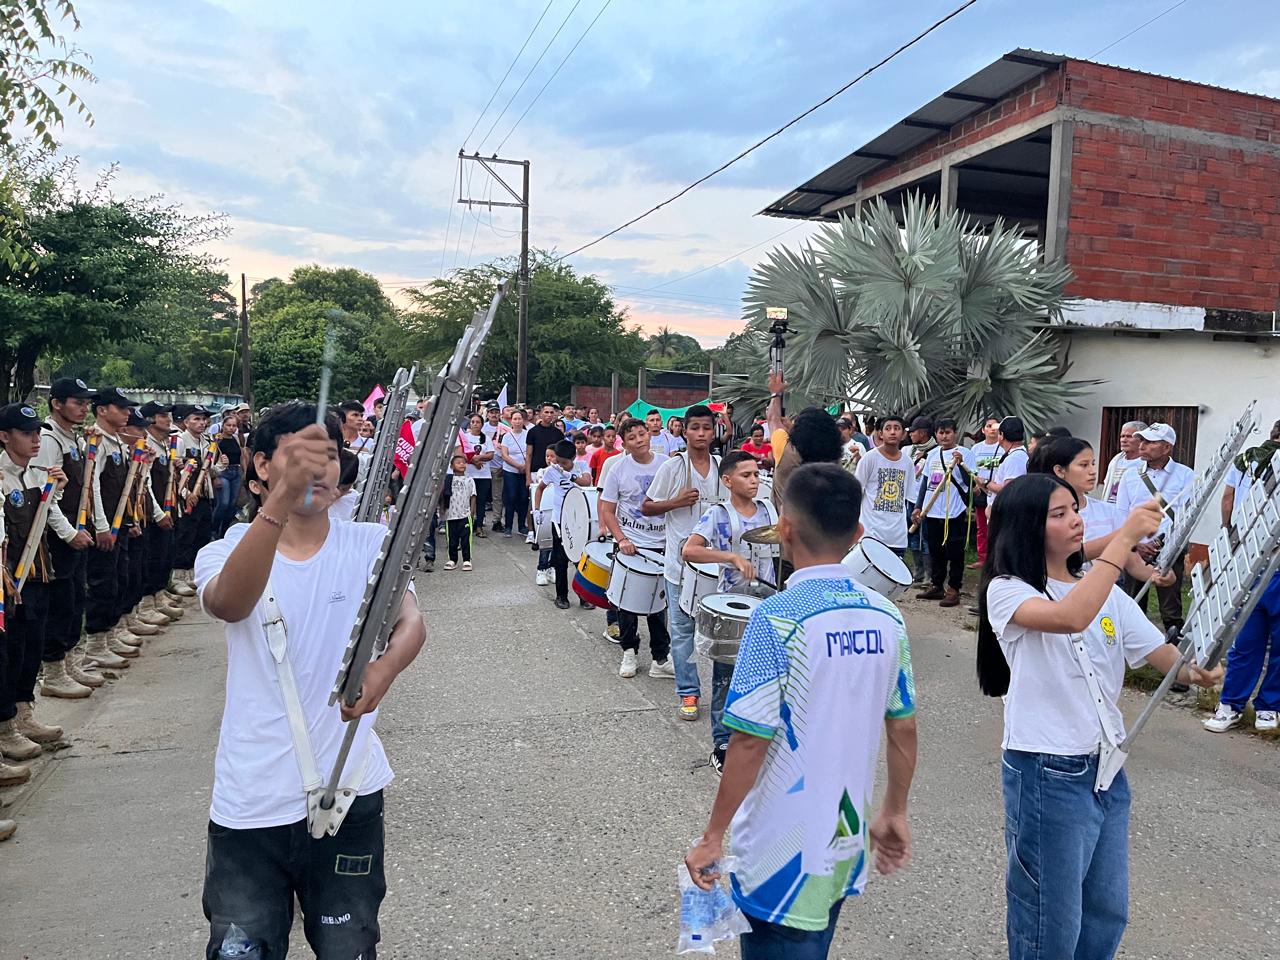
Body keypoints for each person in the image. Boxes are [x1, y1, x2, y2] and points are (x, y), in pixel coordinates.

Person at [196, 401, 425, 959]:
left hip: (349, 791)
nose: (317, 469)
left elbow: (411, 622)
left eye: (328, 455)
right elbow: (229, 603)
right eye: (299, 456)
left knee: (349, 946)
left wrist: (383, 668)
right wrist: (277, 503)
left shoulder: (370, 542)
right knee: (241, 949)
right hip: (252, 801)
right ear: (259, 466)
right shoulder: (223, 551)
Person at [977, 473, 1220, 960]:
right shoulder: (1007, 590)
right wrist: (1124, 540)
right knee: (1050, 914)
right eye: (1059, 514)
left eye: (1075, 509)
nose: (1075, 521)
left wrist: (1200, 672)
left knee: (1107, 908)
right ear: (1026, 526)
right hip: (1046, 768)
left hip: (1105, 767)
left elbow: (1158, 652)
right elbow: (1070, 617)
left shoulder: (1101, 590)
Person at [685, 463, 917, 959]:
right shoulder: (887, 615)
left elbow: (749, 739)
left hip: (778, 853)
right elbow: (903, 725)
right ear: (858, 534)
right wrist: (894, 808)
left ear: (784, 528)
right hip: (844, 839)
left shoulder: (776, 618)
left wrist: (712, 836)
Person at [681, 451, 775, 772]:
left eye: (757, 474)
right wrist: (730, 558)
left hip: (766, 604)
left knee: (763, 677)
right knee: (725, 679)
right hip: (732, 606)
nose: (754, 480)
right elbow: (689, 549)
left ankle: (755, 737)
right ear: (727, 480)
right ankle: (721, 743)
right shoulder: (718, 514)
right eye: (746, 475)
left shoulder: (768, 511)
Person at [0, 402, 68, 773]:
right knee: (8, 649)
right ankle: (6, 725)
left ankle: (25, 712)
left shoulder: (37, 472)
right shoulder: (2, 476)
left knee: (32, 644)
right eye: (27, 434)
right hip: (9, 577)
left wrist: (55, 490)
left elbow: (47, 512)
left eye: (37, 434)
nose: (34, 440)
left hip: (38, 570)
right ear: (5, 436)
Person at [643, 405, 723, 718]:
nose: (702, 434)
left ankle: (721, 694)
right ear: (684, 431)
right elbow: (647, 506)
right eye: (695, 428)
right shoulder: (673, 467)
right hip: (679, 565)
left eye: (707, 428)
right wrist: (676, 502)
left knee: (719, 633)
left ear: (714, 431)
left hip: (715, 564)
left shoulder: (721, 467)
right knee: (682, 629)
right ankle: (688, 692)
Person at [36, 377, 109, 698]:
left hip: (78, 531)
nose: (83, 408)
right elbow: (45, 497)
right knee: (61, 602)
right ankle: (52, 671)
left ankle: (69, 661)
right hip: (58, 537)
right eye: (77, 402)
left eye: (85, 403)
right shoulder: (48, 439)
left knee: (75, 598)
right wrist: (68, 534)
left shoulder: (73, 439)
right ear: (57, 404)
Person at [83, 387, 151, 672]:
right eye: (121, 408)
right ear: (102, 410)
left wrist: (130, 520)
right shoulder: (96, 441)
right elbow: (92, 486)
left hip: (119, 523)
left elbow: (125, 489)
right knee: (102, 582)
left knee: (118, 577)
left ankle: (109, 636)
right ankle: (95, 646)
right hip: (104, 526)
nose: (127, 413)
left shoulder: (118, 442)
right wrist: (101, 525)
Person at [599, 418, 672, 679]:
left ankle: (660, 658)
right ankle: (629, 651)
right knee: (626, 604)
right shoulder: (617, 469)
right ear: (625, 444)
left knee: (658, 605)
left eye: (642, 434)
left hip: (662, 545)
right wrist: (621, 539)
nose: (639, 439)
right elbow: (607, 510)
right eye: (633, 437)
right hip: (631, 544)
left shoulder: (666, 463)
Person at [1115, 423, 1195, 637]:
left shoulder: (1186, 475)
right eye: (1142, 440)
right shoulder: (1130, 475)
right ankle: (1134, 645)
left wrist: (1163, 543)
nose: (1142, 446)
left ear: (1166, 447)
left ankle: (1173, 647)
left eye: (1150, 442)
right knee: (1132, 599)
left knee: (1170, 603)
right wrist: (1135, 545)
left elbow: (1188, 517)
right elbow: (1121, 513)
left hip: (1171, 547)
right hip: (1135, 548)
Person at [912, 418, 976, 607]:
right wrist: (918, 506)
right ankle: (937, 584)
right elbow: (925, 482)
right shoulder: (932, 454)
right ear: (936, 434)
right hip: (933, 511)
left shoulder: (965, 453)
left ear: (955, 433)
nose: (944, 436)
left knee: (955, 552)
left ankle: (954, 588)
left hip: (953, 511)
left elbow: (971, 481)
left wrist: (961, 463)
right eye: (940, 432)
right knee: (935, 550)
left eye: (948, 432)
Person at [138, 400, 185, 624]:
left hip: (168, 508)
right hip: (152, 512)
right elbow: (145, 484)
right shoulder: (145, 445)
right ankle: (147, 603)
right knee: (153, 556)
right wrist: (158, 514)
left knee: (165, 553)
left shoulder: (164, 444)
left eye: (169, 415)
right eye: (162, 415)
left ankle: (159, 595)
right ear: (150, 420)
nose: (168, 419)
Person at [534, 439, 592, 609]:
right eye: (557, 461)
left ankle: (583, 595)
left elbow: (586, 482)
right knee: (560, 560)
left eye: (564, 463)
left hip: (580, 520)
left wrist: (571, 475)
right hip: (560, 520)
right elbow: (540, 488)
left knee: (581, 559)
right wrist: (537, 509)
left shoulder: (581, 466)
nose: (560, 465)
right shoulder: (552, 470)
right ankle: (561, 596)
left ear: (573, 457)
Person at [175, 403, 225, 590]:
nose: (201, 423)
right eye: (196, 419)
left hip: (204, 494)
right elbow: (176, 471)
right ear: (186, 422)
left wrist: (221, 466)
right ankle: (180, 576)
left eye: (204, 419)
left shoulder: (207, 442)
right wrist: (186, 493)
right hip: (186, 495)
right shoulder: (180, 441)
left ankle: (197, 572)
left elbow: (209, 470)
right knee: (185, 534)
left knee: (202, 533)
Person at [854, 414, 918, 558]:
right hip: (871, 533)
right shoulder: (869, 459)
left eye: (897, 428)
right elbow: (856, 491)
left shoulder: (907, 462)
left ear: (903, 434)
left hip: (897, 536)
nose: (893, 432)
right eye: (888, 429)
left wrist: (915, 512)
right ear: (880, 434)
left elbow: (910, 496)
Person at [969, 415, 1002, 568]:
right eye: (989, 426)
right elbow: (971, 470)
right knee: (982, 527)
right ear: (983, 430)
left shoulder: (1003, 448)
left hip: (998, 492)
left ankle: (998, 559)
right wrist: (975, 484)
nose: (992, 430)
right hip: (981, 493)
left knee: (998, 527)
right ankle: (983, 558)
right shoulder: (976, 449)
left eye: (996, 426)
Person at [978, 416, 1029, 510]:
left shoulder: (1015, 458)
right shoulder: (1014, 455)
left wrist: (985, 482)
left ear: (1002, 435)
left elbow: (1008, 490)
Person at [458, 413, 494, 538]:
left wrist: (479, 457)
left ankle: (479, 526)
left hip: (483, 475)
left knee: (481, 501)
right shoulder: (465, 437)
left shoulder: (486, 439)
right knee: (467, 501)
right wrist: (474, 461)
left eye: (478, 422)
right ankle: (467, 524)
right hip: (469, 474)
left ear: (482, 425)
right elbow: (462, 453)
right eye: (473, 422)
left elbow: (490, 455)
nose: (475, 424)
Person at [498, 409, 530, 538]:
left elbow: (530, 452)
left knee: (523, 498)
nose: (517, 421)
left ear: (523, 420)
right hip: (510, 470)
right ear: (511, 421)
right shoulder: (506, 436)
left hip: (524, 471)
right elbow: (505, 455)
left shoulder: (528, 435)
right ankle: (508, 526)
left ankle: (522, 525)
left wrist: (524, 466)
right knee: (510, 497)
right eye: (515, 419)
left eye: (519, 419)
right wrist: (517, 465)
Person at [212, 416, 244, 539]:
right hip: (223, 472)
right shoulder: (217, 440)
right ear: (223, 425)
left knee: (232, 504)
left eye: (233, 426)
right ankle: (214, 529)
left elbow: (242, 455)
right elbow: (212, 458)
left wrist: (244, 472)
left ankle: (224, 531)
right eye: (228, 425)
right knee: (223, 503)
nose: (231, 428)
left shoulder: (235, 438)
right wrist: (214, 477)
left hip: (236, 471)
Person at [442, 453, 475, 571]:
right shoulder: (447, 479)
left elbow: (473, 496)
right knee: (451, 539)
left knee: (466, 539)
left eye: (463, 462)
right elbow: (443, 496)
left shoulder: (469, 480)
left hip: (464, 514)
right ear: (452, 466)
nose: (462, 464)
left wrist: (472, 512)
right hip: (450, 515)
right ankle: (453, 559)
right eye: (458, 462)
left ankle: (467, 559)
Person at [1101, 420, 1147, 504]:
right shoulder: (1116, 461)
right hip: (1110, 511)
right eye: (1122, 436)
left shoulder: (1146, 464)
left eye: (1129, 436)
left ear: (1141, 440)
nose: (1123, 440)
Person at [524, 404, 564, 500]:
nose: (549, 415)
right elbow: (529, 455)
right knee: (534, 501)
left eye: (551, 412)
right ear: (540, 414)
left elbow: (561, 455)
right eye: (546, 412)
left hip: (554, 471)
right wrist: (528, 476)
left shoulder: (558, 433)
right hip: (535, 471)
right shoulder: (532, 432)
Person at [483, 403, 507, 530]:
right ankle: (478, 519)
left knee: (497, 496)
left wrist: (504, 466)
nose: (494, 414)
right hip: (483, 466)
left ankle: (497, 520)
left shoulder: (505, 428)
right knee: (480, 496)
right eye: (492, 412)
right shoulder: (482, 428)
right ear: (487, 414)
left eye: (496, 412)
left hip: (498, 466)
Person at [327, 449, 361, 522]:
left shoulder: (357, 503)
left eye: (343, 489)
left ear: (351, 485)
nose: (335, 493)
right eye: (332, 486)